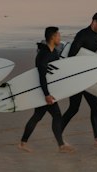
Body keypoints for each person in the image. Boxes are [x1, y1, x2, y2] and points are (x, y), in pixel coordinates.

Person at [60, 10, 97, 146]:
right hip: (78, 77)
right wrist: (76, 76)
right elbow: (72, 55)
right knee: (74, 108)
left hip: (86, 77)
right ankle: (57, 134)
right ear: (94, 21)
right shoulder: (82, 35)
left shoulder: (95, 36)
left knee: (94, 106)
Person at [19, 26, 75, 154]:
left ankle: (23, 143)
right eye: (58, 36)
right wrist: (47, 95)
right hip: (44, 91)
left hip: (47, 90)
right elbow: (42, 76)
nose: (60, 38)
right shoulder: (44, 54)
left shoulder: (53, 52)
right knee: (56, 115)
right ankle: (61, 145)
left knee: (38, 116)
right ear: (53, 37)